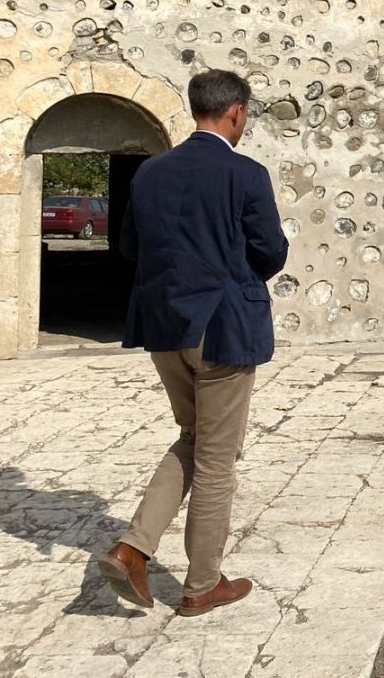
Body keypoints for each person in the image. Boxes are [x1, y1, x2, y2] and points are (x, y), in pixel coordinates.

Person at [97, 69, 289, 617]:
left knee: (193, 435)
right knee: (216, 458)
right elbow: (271, 250)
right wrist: (233, 277)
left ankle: (131, 548)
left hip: (163, 327)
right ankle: (203, 584)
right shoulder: (245, 174)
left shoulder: (150, 173)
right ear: (236, 112)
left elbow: (129, 245)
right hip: (223, 328)